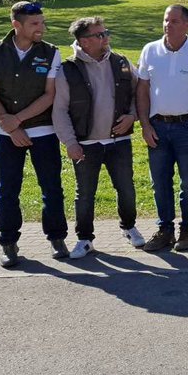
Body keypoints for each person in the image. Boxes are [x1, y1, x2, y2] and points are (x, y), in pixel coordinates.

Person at [0, 0, 68, 268]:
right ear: (16, 25)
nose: (42, 27)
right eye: (35, 24)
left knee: (51, 188)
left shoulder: (51, 53)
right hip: (7, 135)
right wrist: (12, 128)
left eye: (42, 22)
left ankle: (56, 238)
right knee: (7, 190)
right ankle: (8, 243)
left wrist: (17, 120)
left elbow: (49, 95)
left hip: (43, 132)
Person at [52, 16, 144, 259]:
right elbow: (59, 109)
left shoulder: (122, 62)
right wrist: (70, 142)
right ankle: (84, 239)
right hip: (85, 144)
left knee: (126, 189)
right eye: (100, 35)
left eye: (106, 33)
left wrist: (132, 116)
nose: (106, 38)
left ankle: (129, 227)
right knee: (85, 194)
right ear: (84, 41)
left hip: (119, 141)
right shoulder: (67, 69)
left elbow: (139, 94)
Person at [136, 4, 188, 252]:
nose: (168, 25)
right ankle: (165, 230)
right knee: (160, 182)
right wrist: (144, 125)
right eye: (166, 20)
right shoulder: (150, 50)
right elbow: (142, 89)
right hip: (158, 127)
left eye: (174, 21)